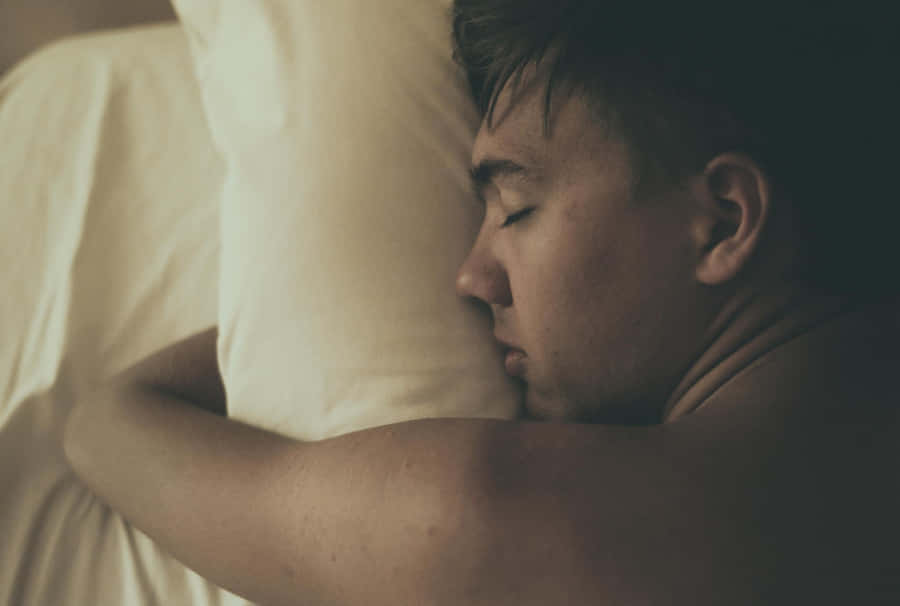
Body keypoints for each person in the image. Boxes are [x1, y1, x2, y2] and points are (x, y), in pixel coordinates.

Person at [63, 2, 899, 604]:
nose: (468, 277)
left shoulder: (509, 523)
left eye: (516, 208)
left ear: (722, 219)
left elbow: (108, 425)